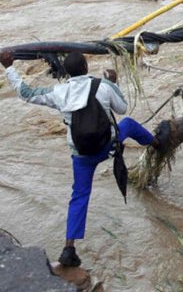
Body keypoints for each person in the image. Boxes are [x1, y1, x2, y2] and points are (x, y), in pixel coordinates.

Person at [0, 50, 155, 268]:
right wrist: (113, 82)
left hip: (82, 155)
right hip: (106, 145)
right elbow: (122, 108)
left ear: (66, 72)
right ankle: (157, 143)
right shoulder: (102, 85)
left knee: (80, 196)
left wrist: (8, 67)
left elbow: (26, 93)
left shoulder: (59, 92)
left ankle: (68, 249)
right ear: (86, 68)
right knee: (128, 124)